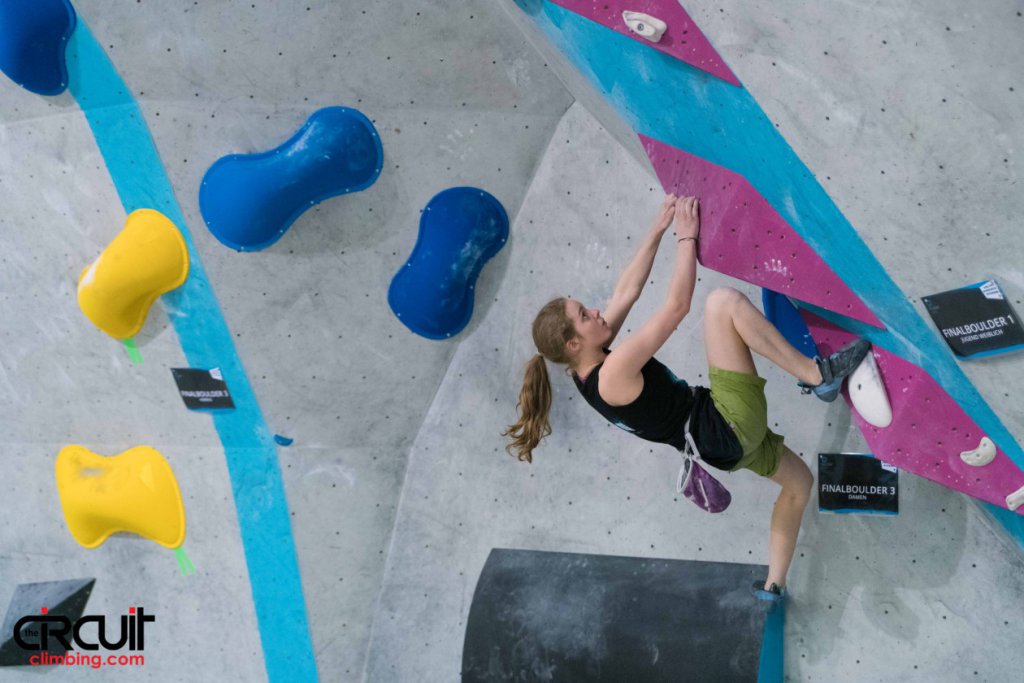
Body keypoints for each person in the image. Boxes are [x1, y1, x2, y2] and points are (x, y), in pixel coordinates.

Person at [504, 194, 870, 601]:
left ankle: (774, 586)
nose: (595, 311)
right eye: (585, 315)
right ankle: (818, 375)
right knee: (722, 304)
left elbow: (626, 292)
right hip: (725, 422)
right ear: (573, 343)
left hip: (723, 449)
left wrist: (657, 229)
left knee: (799, 485)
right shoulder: (613, 373)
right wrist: (685, 238)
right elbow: (677, 307)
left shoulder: (585, 370)